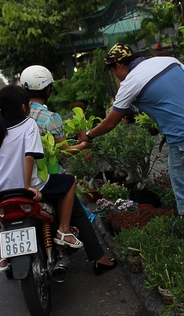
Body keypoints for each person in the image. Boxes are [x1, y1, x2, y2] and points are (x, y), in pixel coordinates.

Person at [78, 43, 184, 237]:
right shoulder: (169, 60)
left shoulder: (130, 82)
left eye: (113, 71)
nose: (116, 76)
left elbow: (110, 122)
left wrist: (88, 135)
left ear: (118, 65)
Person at [0, 85, 83, 272]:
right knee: (69, 182)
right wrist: (27, 186)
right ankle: (63, 231)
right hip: (29, 187)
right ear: (24, 107)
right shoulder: (28, 124)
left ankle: (0, 255)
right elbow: (30, 155)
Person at [20, 65, 117, 276]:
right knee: (78, 212)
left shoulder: (14, 114)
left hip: (16, 180)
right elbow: (64, 152)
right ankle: (99, 259)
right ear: (47, 90)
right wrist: (83, 144)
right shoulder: (49, 118)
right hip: (47, 179)